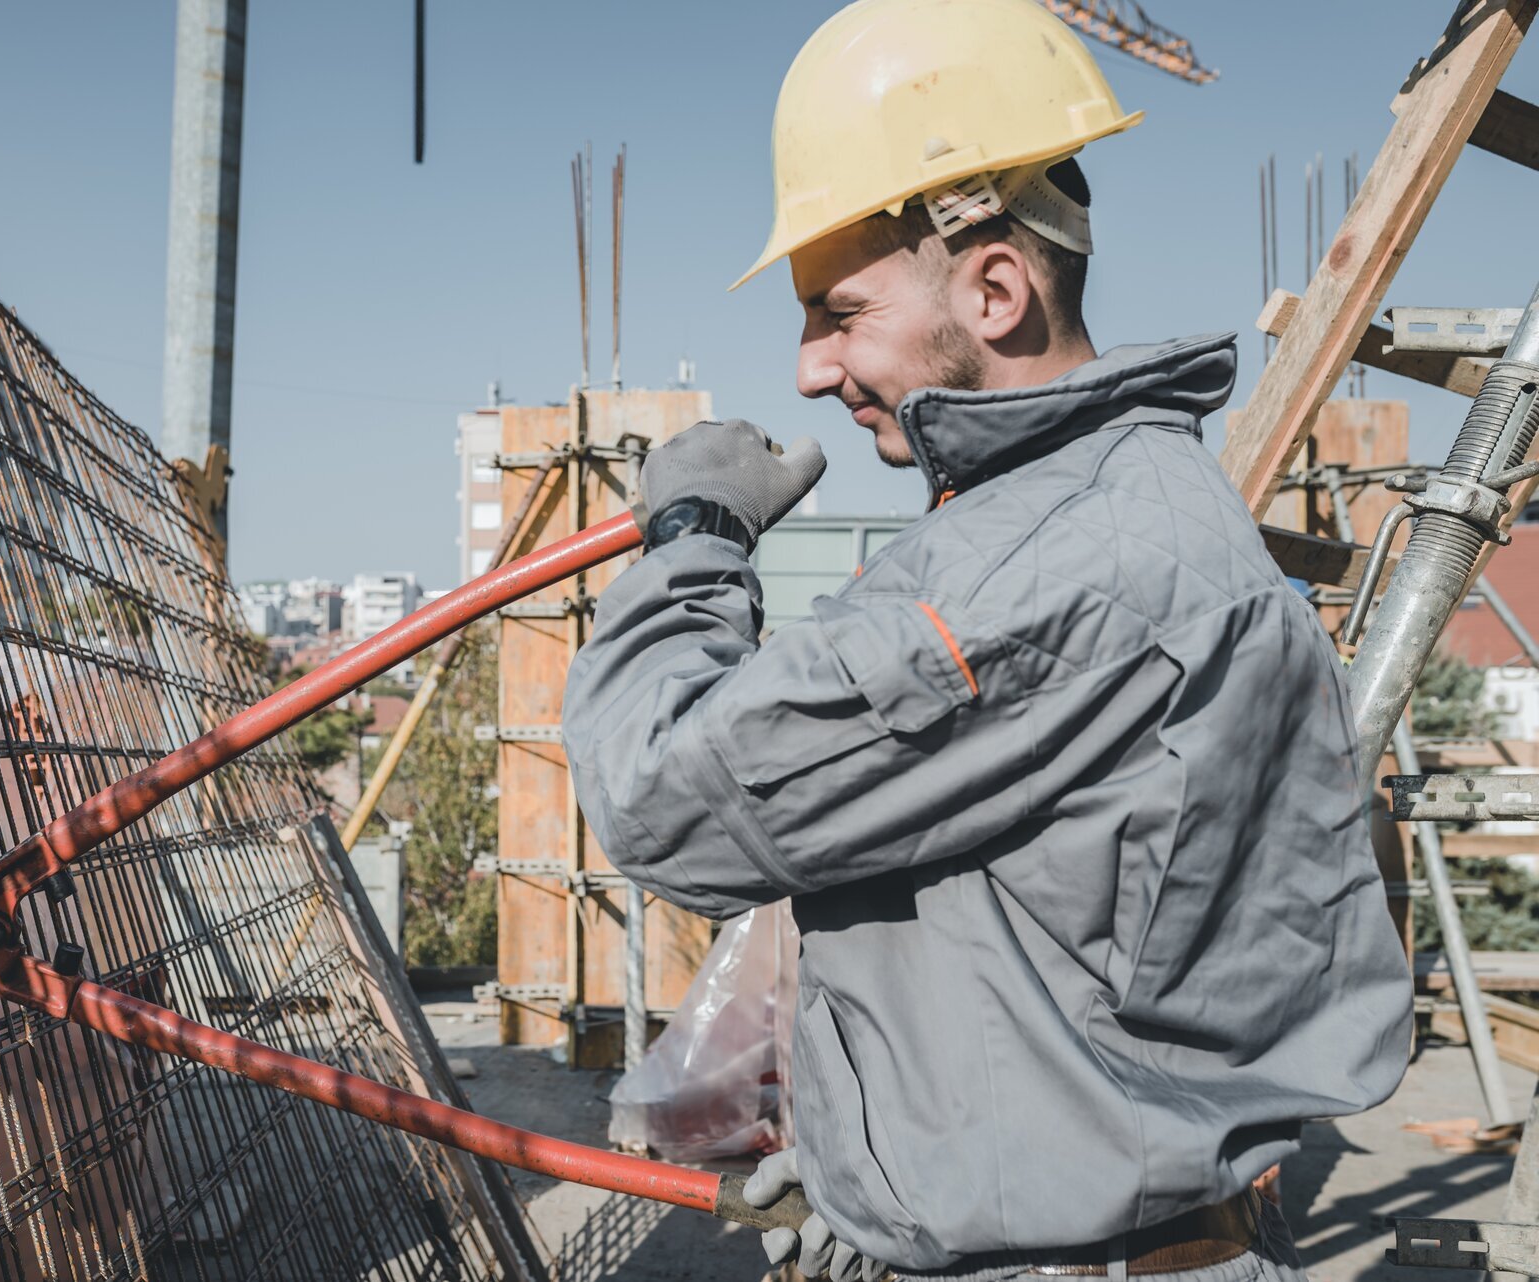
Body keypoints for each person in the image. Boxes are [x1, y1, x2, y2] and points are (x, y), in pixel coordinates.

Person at [559, 2, 1413, 1279]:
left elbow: (660, 800)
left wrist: (694, 535)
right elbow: (1034, 951)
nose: (809, 368)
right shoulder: (1127, 501)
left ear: (995, 289)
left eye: (839, 311)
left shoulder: (1037, 570)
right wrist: (886, 1174)